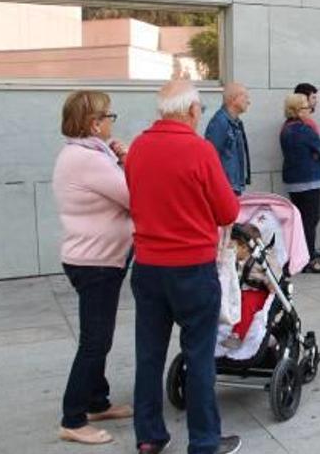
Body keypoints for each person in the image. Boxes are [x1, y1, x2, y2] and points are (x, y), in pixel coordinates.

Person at [126, 80, 242, 454]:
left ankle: (148, 436)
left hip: (147, 265)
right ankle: (204, 441)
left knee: (148, 354)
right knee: (199, 355)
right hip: (191, 266)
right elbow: (227, 211)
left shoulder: (139, 147)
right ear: (192, 110)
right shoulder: (198, 149)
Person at [53, 91, 133, 446]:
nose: (113, 121)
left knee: (100, 336)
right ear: (94, 123)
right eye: (109, 115)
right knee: (95, 340)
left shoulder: (86, 154)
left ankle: (96, 401)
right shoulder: (88, 159)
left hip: (95, 258)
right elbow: (135, 195)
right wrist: (128, 158)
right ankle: (73, 417)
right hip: (95, 262)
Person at [280, 93, 320, 274]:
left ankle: (297, 257)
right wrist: (317, 152)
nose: (309, 111)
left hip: (293, 180)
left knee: (299, 222)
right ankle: (309, 260)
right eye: (306, 108)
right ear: (297, 111)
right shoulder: (304, 130)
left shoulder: (285, 128)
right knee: (309, 222)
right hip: (309, 180)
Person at [221, 224, 276, 349]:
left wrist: (270, 283)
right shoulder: (233, 260)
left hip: (257, 292)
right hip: (240, 291)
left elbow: (273, 275)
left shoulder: (258, 262)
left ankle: (237, 335)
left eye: (232, 246)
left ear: (245, 247)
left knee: (247, 303)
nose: (229, 248)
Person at [204, 82, 252, 195]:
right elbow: (210, 158)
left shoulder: (235, 122)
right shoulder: (219, 123)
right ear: (233, 99)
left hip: (232, 187)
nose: (249, 102)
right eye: (245, 97)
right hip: (224, 189)